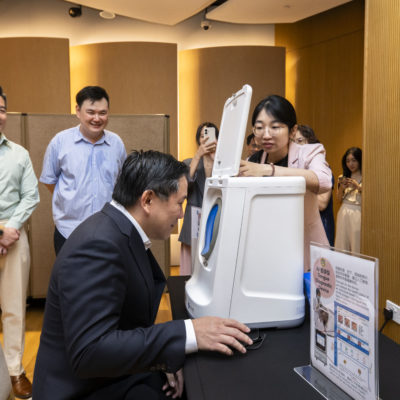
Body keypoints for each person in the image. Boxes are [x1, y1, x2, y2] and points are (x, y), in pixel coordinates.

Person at [33, 150, 252, 400]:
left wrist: (160, 355)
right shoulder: (98, 245)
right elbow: (90, 352)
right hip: (81, 389)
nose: (181, 214)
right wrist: (189, 332)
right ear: (148, 200)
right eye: (179, 203)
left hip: (108, 376)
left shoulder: (118, 230)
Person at [239, 95, 332, 271]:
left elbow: (324, 181)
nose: (266, 135)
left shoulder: (309, 152)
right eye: (259, 127)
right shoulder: (253, 160)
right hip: (269, 249)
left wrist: (268, 170)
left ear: (292, 130)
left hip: (305, 250)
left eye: (275, 127)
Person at [40, 86, 126, 254]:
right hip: (68, 231)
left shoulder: (116, 143)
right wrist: (71, 197)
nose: (97, 118)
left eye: (102, 113)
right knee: (69, 272)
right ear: (78, 111)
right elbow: (50, 181)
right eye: (91, 112)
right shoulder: (60, 142)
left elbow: (122, 182)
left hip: (108, 231)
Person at [0, 86, 40, 399]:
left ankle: (15, 370)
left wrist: (10, 229)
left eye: (2, 109)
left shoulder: (19, 153)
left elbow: (31, 195)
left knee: (14, 308)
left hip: (14, 238)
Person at [178, 122, 219, 275]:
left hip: (216, 217)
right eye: (202, 136)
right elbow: (182, 185)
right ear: (198, 140)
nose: (205, 139)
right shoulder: (189, 163)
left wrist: (216, 159)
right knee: (189, 269)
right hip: (193, 220)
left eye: (210, 136)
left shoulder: (223, 165)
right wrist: (198, 156)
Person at [293, 125, 335, 246]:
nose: (296, 146)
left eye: (300, 141)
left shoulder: (322, 169)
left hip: (321, 225)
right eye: (293, 142)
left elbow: (322, 204)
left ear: (310, 142)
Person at [334, 147, 362, 253]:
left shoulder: (366, 176)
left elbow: (371, 198)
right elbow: (338, 199)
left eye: (354, 160)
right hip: (343, 211)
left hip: (358, 212)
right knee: (341, 244)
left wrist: (358, 187)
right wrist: (342, 187)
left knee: (357, 244)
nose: (351, 164)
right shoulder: (342, 176)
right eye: (348, 161)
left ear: (359, 160)